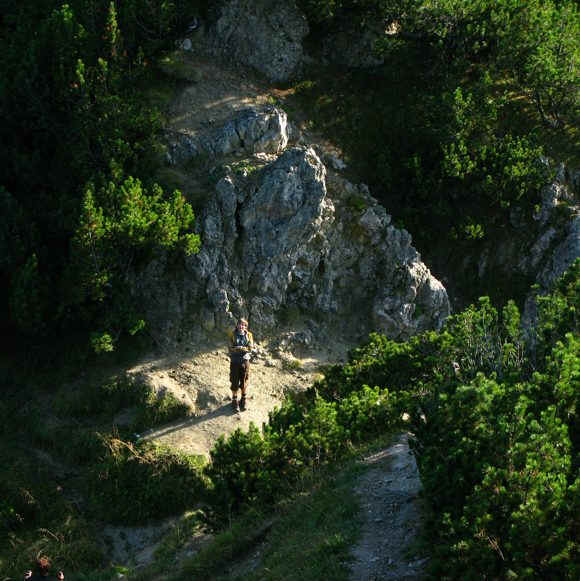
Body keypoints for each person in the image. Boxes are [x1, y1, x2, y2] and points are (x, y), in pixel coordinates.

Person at [228, 318, 254, 412]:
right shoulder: (232, 334)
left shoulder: (249, 335)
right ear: (237, 325)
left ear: (245, 326)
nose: (241, 326)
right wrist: (240, 348)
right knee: (234, 380)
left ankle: (243, 399)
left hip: (245, 361)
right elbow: (230, 347)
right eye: (240, 324)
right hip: (235, 361)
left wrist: (240, 348)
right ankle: (234, 400)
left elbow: (250, 347)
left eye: (243, 325)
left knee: (244, 380)